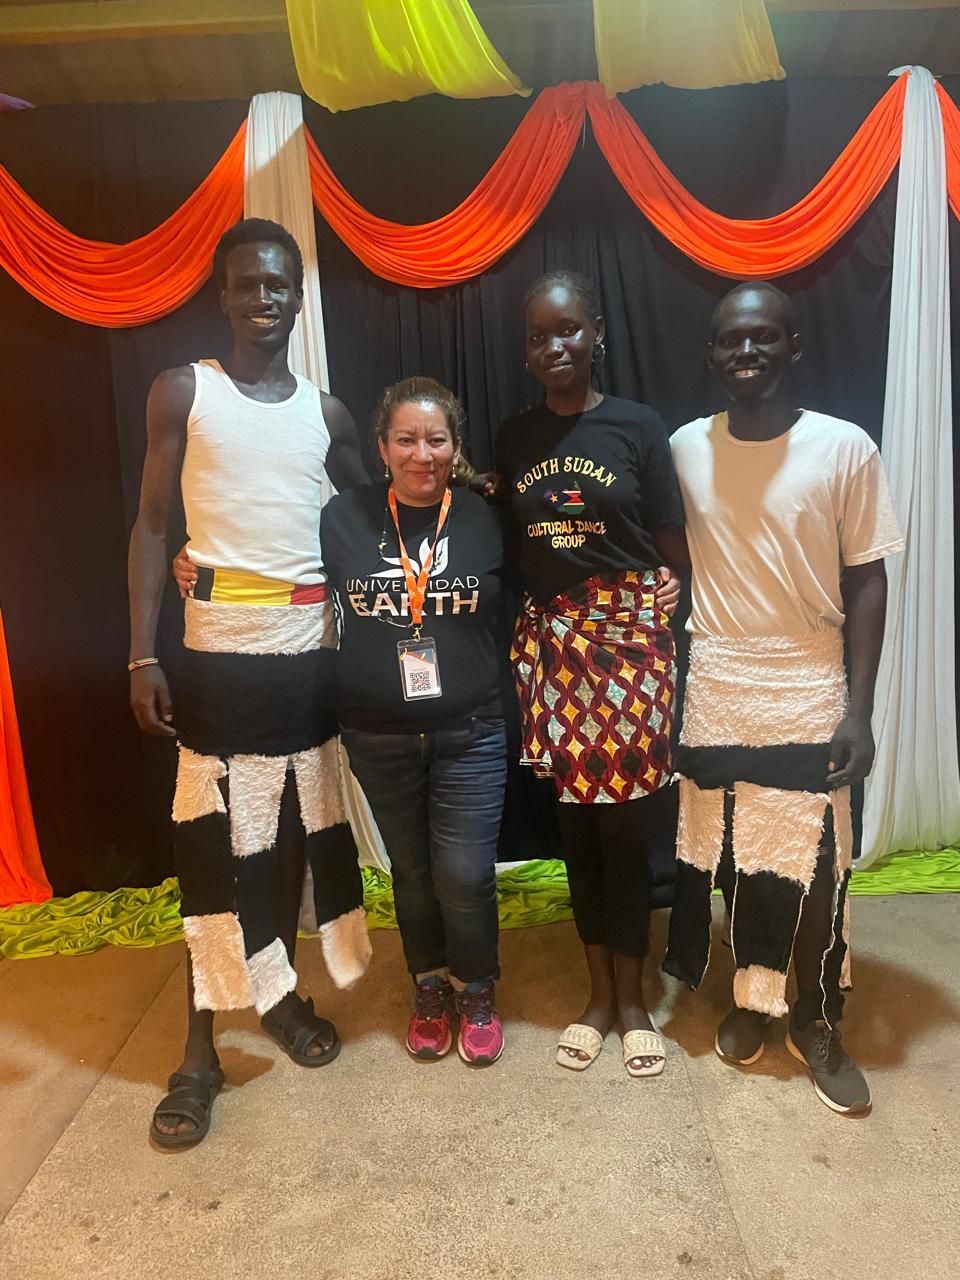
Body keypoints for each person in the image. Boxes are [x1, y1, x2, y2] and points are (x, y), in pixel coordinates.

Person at [129, 218, 371, 1148]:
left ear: (298, 298)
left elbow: (378, 511)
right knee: (217, 848)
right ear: (223, 295)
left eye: (279, 284)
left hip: (309, 653)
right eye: (247, 284)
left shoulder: (329, 413)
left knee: (290, 844)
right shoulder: (183, 392)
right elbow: (153, 526)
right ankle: (198, 1050)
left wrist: (471, 485)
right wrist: (142, 654)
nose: (264, 297)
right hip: (216, 649)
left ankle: (277, 996)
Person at [663, 281, 904, 1115]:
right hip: (719, 679)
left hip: (808, 678)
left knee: (814, 861)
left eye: (765, 338)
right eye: (732, 340)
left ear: (794, 346)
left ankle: (814, 1013)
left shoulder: (845, 448)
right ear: (711, 354)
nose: (748, 352)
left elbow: (868, 580)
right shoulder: (685, 446)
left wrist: (860, 709)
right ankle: (752, 994)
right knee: (733, 854)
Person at [495, 270, 686, 1078]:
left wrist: (673, 606)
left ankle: (634, 999)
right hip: (558, 656)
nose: (555, 346)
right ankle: (597, 996)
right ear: (528, 350)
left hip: (632, 649)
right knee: (576, 829)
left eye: (568, 329)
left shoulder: (639, 428)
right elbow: (512, 536)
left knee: (628, 828)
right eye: (539, 336)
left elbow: (671, 541)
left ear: (597, 332)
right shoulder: (514, 437)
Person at [319, 378, 508, 1066]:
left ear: (456, 447)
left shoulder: (490, 516)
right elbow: (286, 576)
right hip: (376, 730)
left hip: (472, 728)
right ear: (382, 447)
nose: (421, 453)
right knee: (412, 869)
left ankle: (477, 988)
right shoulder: (342, 517)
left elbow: (560, 562)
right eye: (406, 439)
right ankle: (429, 986)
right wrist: (195, 564)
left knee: (463, 871)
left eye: (436, 439)